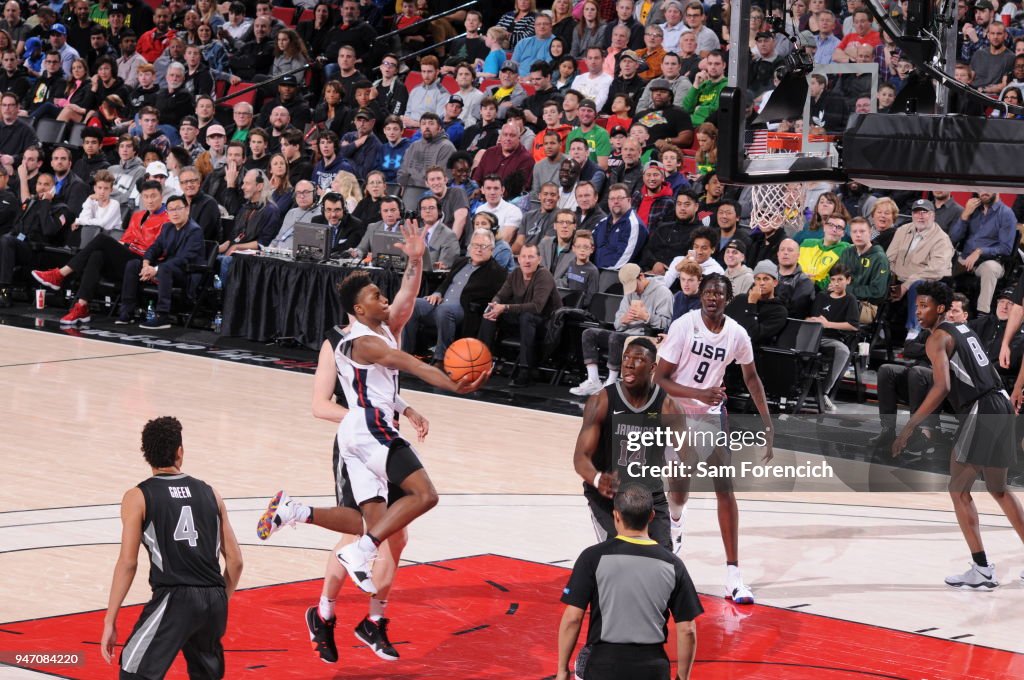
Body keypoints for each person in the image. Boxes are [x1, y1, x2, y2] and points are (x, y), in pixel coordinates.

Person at [257, 221, 429, 663]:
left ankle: (372, 621)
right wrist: (366, 419)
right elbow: (320, 404)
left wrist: (402, 408)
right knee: (363, 529)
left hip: (383, 437)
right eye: (374, 294)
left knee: (398, 536)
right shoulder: (336, 343)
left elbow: (385, 371)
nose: (384, 300)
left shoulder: (383, 330)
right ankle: (326, 613)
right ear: (357, 306)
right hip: (357, 443)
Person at [892, 282, 1024, 590]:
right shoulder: (965, 329)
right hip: (1000, 402)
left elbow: (942, 387)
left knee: (958, 489)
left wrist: (910, 426)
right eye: (916, 306)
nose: (918, 311)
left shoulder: (937, 337)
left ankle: (981, 569)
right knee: (998, 488)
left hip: (981, 408)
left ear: (940, 308)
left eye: (923, 306)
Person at [655, 273, 774, 594]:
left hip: (710, 416)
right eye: (707, 292)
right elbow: (660, 377)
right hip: (675, 411)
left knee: (725, 489)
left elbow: (752, 378)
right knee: (678, 492)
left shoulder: (736, 334)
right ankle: (676, 523)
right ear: (700, 296)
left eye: (718, 294)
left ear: (727, 298)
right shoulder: (684, 325)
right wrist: (699, 394)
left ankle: (734, 575)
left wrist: (767, 421)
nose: (712, 298)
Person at [100, 416, 243, 678]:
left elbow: (128, 563)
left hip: (175, 598)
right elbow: (235, 561)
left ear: (146, 455)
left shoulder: (138, 496)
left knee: (133, 670)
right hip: (214, 597)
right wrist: (220, 598)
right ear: (180, 452)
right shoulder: (211, 493)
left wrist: (110, 619)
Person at [557, 482, 701, 680]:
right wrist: (682, 678)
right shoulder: (673, 564)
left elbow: (573, 619)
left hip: (604, 667)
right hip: (653, 669)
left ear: (616, 515)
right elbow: (687, 629)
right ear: (652, 516)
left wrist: (562, 670)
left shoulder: (592, 557)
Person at [404, 227, 508, 363]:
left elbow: (494, 298)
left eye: (483, 246)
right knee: (412, 303)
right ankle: (406, 352)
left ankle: (441, 359)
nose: (479, 249)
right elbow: (446, 282)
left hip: (464, 311)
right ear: (470, 247)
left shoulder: (497, 272)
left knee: (444, 310)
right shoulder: (460, 262)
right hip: (441, 304)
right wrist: (438, 293)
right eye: (475, 245)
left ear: (491, 250)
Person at [571, 263, 673, 395]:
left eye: (634, 285)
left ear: (641, 276)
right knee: (589, 333)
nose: (633, 291)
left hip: (646, 336)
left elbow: (666, 323)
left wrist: (646, 317)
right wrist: (624, 319)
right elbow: (617, 324)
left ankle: (611, 382)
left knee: (616, 337)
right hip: (625, 333)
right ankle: (593, 380)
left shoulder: (663, 293)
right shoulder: (630, 294)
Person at [480, 243, 563, 387]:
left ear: (539, 259)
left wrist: (505, 307)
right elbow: (500, 295)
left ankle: (525, 370)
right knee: (490, 314)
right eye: (523, 256)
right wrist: (494, 305)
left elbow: (536, 307)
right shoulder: (516, 274)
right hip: (523, 319)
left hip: (546, 324)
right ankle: (482, 362)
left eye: (531, 257)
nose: (527, 260)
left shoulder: (544, 275)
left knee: (527, 317)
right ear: (518, 259)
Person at [121, 194, 206, 329]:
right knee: (133, 264)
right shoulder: (167, 227)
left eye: (178, 208)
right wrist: (146, 264)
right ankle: (127, 312)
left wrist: (155, 270)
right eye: (171, 210)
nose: (175, 213)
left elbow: (184, 259)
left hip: (187, 272)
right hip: (168, 269)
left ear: (187, 209)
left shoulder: (194, 230)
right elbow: (155, 248)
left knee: (165, 268)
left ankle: (163, 316)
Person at [807, 263, 860, 410]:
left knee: (843, 351)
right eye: (833, 279)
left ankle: (824, 392)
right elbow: (813, 316)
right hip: (813, 334)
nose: (836, 283)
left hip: (831, 338)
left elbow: (853, 325)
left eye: (840, 279)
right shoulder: (822, 296)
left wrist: (829, 324)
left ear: (848, 280)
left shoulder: (850, 299)